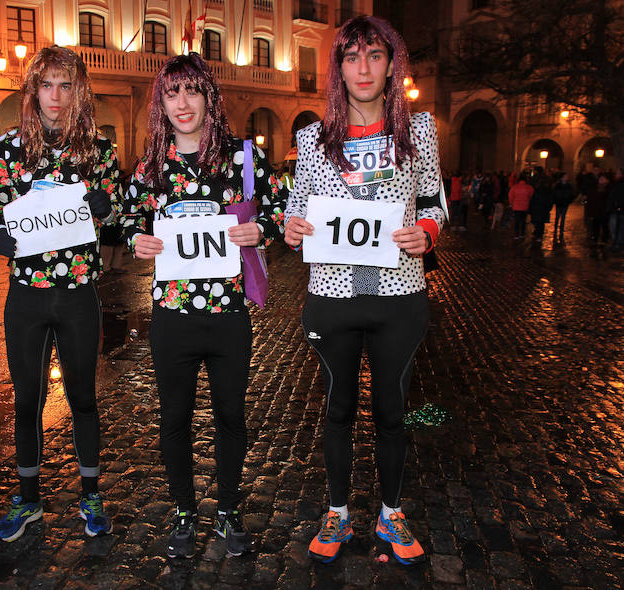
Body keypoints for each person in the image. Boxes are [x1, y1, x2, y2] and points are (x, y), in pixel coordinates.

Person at [283, 16, 445, 566]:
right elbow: (297, 206)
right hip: (333, 294)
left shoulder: (417, 132)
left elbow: (434, 204)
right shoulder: (312, 137)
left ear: (391, 64)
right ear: (338, 68)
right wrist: (291, 225)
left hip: (399, 294)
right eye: (352, 57)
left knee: (393, 408)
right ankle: (337, 510)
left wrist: (425, 233)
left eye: (374, 55)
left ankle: (391, 513)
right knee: (338, 406)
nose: (363, 68)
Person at [121, 53, 286, 558]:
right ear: (161, 103)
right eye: (172, 94)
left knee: (230, 417)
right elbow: (128, 217)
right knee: (174, 419)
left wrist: (263, 229)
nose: (182, 103)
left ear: (209, 96)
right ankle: (184, 512)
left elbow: (281, 206)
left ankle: (230, 511)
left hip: (228, 316)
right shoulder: (151, 166)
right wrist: (135, 241)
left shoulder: (244, 158)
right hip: (172, 316)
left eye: (192, 90)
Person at [0, 46, 120, 542]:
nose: (56, 97)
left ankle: (90, 494)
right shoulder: (7, 148)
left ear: (79, 90)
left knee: (83, 398)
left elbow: (119, 216)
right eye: (47, 85)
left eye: (66, 85)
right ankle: (28, 500)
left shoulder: (99, 149)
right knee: (28, 401)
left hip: (79, 293)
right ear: (33, 91)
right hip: (27, 295)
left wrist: (106, 209)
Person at [551, 172, 576, 243]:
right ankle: (555, 229)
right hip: (559, 203)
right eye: (565, 176)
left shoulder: (569, 186)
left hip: (565, 203)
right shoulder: (557, 185)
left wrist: (569, 200)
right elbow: (554, 193)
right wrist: (555, 200)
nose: (566, 177)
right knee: (557, 216)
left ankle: (561, 230)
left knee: (563, 217)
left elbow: (572, 193)